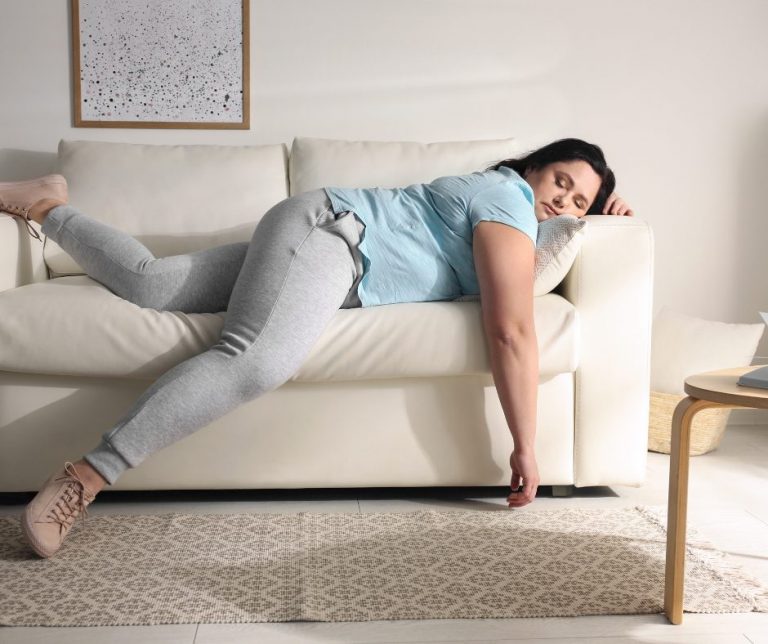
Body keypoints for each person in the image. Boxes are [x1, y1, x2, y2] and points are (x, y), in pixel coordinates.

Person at [0, 137, 634, 558]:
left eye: (580, 200)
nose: (563, 201)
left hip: (319, 236)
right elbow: (511, 329)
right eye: (560, 181)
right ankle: (86, 475)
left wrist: (606, 219)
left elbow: (545, 258)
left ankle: (48, 204)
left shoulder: (527, 218)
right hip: (332, 237)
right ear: (531, 170)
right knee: (255, 360)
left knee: (152, 282)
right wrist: (525, 444)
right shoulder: (508, 199)